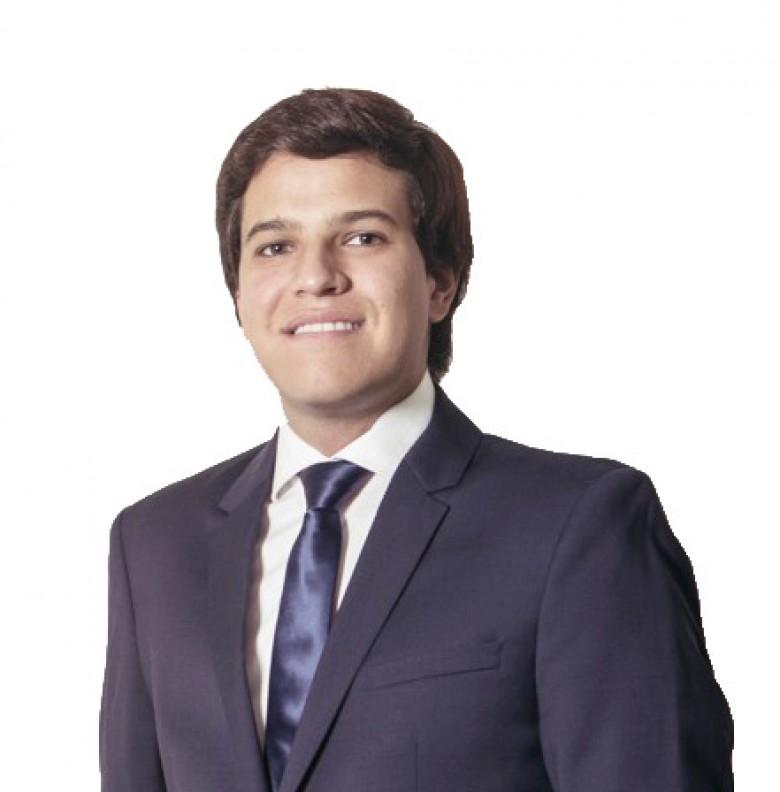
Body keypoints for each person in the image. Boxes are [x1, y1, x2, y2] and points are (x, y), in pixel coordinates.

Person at [99, 88, 733, 792]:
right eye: (275, 247)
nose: (316, 277)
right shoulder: (154, 544)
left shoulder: (581, 525)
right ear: (239, 298)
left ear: (440, 281)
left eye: (362, 238)